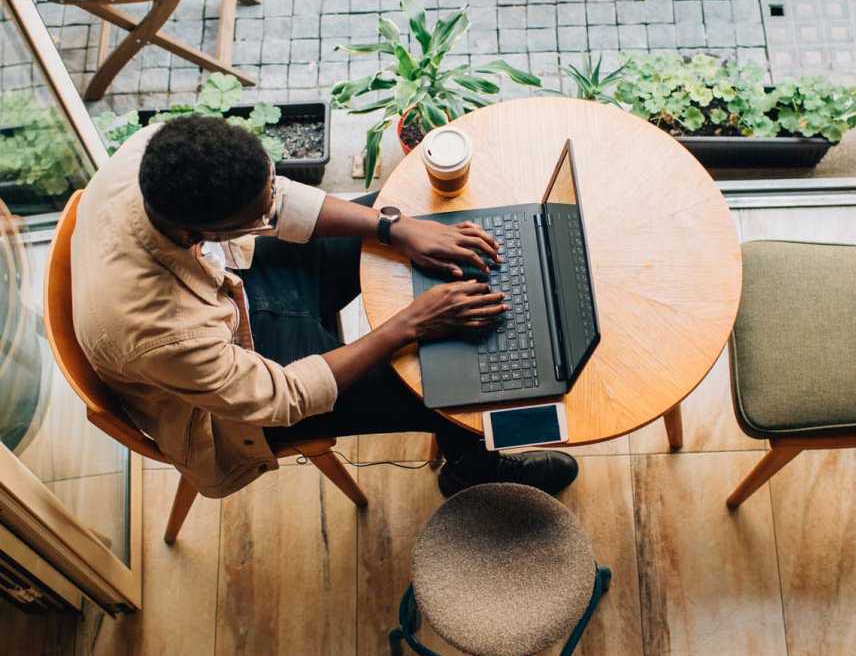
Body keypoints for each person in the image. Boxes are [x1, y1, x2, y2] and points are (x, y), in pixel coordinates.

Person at [70, 115, 578, 500]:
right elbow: (281, 397)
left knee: (408, 216)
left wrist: (393, 227)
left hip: (233, 284)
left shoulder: (155, 154)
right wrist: (411, 323)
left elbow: (276, 199)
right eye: (260, 215)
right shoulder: (158, 330)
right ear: (201, 232)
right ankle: (473, 470)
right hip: (240, 388)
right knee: (446, 384)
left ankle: (418, 253)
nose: (273, 206)